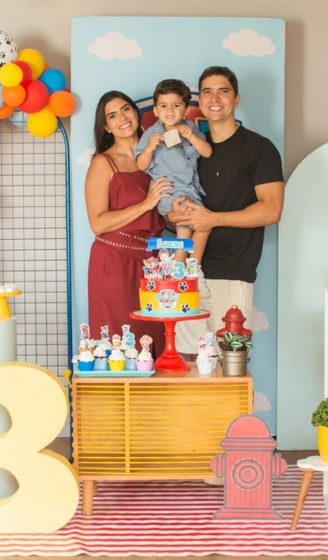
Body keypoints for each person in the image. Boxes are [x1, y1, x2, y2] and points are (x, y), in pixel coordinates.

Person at [167, 66, 285, 358]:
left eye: (223, 90)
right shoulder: (187, 148)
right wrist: (172, 215)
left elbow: (272, 210)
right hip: (186, 277)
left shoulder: (260, 148)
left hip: (232, 276)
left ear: (236, 99)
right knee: (188, 366)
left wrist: (213, 219)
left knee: (231, 370)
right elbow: (171, 206)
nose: (215, 98)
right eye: (207, 91)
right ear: (200, 101)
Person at [85, 90, 172, 357]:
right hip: (114, 261)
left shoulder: (160, 155)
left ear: (136, 112)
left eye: (125, 109)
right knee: (120, 343)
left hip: (153, 262)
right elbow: (97, 223)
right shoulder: (103, 163)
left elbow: (166, 211)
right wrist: (145, 203)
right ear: (106, 126)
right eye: (112, 115)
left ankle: (153, 401)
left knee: (156, 342)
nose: (122, 118)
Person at [134, 79, 213, 297]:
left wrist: (192, 138)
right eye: (163, 106)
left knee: (205, 223)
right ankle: (180, 272)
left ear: (186, 110)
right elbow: (140, 165)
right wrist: (149, 148)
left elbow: (206, 152)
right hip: (168, 191)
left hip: (190, 189)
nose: (170, 110)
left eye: (176, 105)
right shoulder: (151, 133)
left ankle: (192, 270)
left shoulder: (192, 128)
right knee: (186, 219)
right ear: (156, 111)